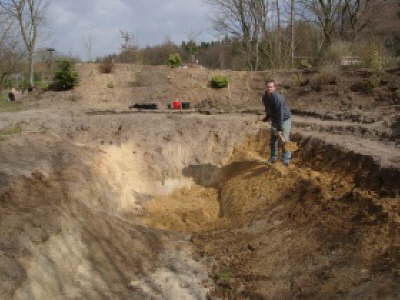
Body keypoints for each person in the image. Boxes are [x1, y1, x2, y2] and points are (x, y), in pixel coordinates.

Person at [262, 79, 292, 166]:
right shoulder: (265, 97)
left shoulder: (278, 98)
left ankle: (286, 160)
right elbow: (268, 109)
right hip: (275, 119)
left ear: (274, 88)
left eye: (271, 87)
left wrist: (279, 128)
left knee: (285, 139)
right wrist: (267, 117)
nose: (269, 88)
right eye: (268, 87)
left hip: (284, 119)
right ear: (265, 87)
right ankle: (273, 158)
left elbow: (280, 113)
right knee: (273, 139)